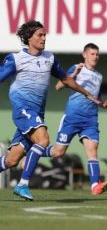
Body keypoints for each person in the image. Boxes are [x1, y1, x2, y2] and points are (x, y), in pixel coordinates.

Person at [0, 20, 101, 201]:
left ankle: (20, 178)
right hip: (23, 111)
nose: (44, 38)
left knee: (12, 160)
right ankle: (22, 185)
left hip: (37, 114)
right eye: (40, 35)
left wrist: (87, 93)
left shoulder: (50, 58)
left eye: (45, 34)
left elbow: (66, 79)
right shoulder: (15, 59)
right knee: (44, 139)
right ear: (28, 37)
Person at [43, 43, 107, 195]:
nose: (95, 57)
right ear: (85, 55)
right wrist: (74, 74)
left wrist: (104, 104)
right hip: (72, 118)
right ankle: (33, 151)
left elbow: (96, 98)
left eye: (97, 54)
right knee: (58, 152)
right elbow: (58, 87)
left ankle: (95, 185)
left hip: (90, 120)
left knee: (92, 150)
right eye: (92, 54)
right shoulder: (76, 68)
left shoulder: (99, 76)